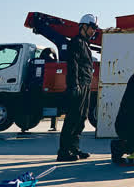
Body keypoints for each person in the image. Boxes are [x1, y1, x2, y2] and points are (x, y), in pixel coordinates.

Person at [57, 14, 98, 162]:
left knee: (81, 118)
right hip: (78, 85)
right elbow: (73, 66)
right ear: (84, 27)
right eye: (92, 27)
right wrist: (75, 86)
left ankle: (74, 148)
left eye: (95, 28)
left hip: (85, 85)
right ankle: (63, 151)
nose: (94, 31)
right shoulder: (75, 43)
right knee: (72, 118)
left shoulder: (85, 44)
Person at [41, 48, 59, 131]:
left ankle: (53, 126)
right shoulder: (52, 60)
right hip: (52, 86)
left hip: (48, 86)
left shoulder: (45, 60)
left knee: (53, 105)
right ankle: (53, 126)